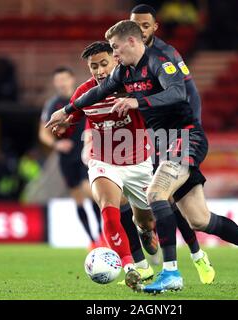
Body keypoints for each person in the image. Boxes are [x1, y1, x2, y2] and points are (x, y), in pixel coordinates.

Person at [45, 20, 238, 293]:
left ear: (131, 42)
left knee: (156, 194)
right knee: (200, 219)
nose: (113, 55)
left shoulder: (160, 61)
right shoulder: (125, 72)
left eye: (115, 49)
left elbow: (177, 92)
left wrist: (138, 102)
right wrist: (66, 110)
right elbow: (99, 91)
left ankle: (171, 273)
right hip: (164, 145)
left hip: (185, 137)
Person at [50, 42, 160, 290]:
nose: (99, 71)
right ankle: (131, 268)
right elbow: (73, 116)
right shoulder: (84, 92)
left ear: (116, 61)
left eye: (103, 64)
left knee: (146, 221)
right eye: (93, 66)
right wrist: (64, 126)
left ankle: (145, 230)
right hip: (104, 161)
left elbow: (158, 108)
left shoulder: (133, 86)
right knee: (108, 207)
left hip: (138, 162)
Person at [130, 4, 214, 285]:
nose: (139, 30)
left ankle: (196, 257)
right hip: (149, 137)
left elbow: (189, 93)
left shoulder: (166, 55)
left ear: (154, 27)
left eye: (144, 25)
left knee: (169, 199)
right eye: (134, 25)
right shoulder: (127, 58)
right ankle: (151, 249)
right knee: (160, 201)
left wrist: (193, 129)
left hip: (176, 135)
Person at [39, 67, 104, 250]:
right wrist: (56, 144)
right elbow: (43, 133)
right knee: (78, 197)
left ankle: (101, 234)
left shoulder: (83, 97)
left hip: (86, 153)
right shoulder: (52, 105)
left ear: (72, 79)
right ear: (55, 82)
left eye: (65, 79)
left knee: (89, 191)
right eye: (58, 79)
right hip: (66, 157)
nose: (62, 83)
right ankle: (93, 239)